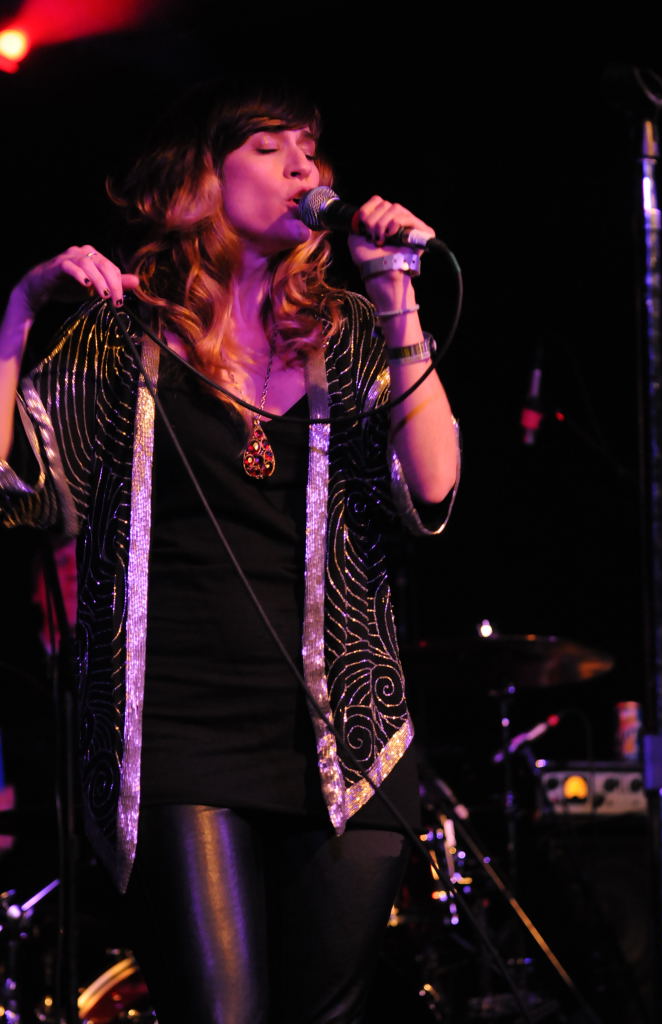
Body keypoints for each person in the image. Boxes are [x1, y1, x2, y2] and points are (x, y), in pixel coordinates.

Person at [0, 81, 459, 1024]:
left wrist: (395, 291)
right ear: (199, 179)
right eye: (268, 145)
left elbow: (433, 485)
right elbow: (17, 488)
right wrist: (17, 312)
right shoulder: (121, 334)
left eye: (310, 148)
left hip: (347, 744)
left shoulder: (350, 333)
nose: (303, 165)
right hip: (175, 738)